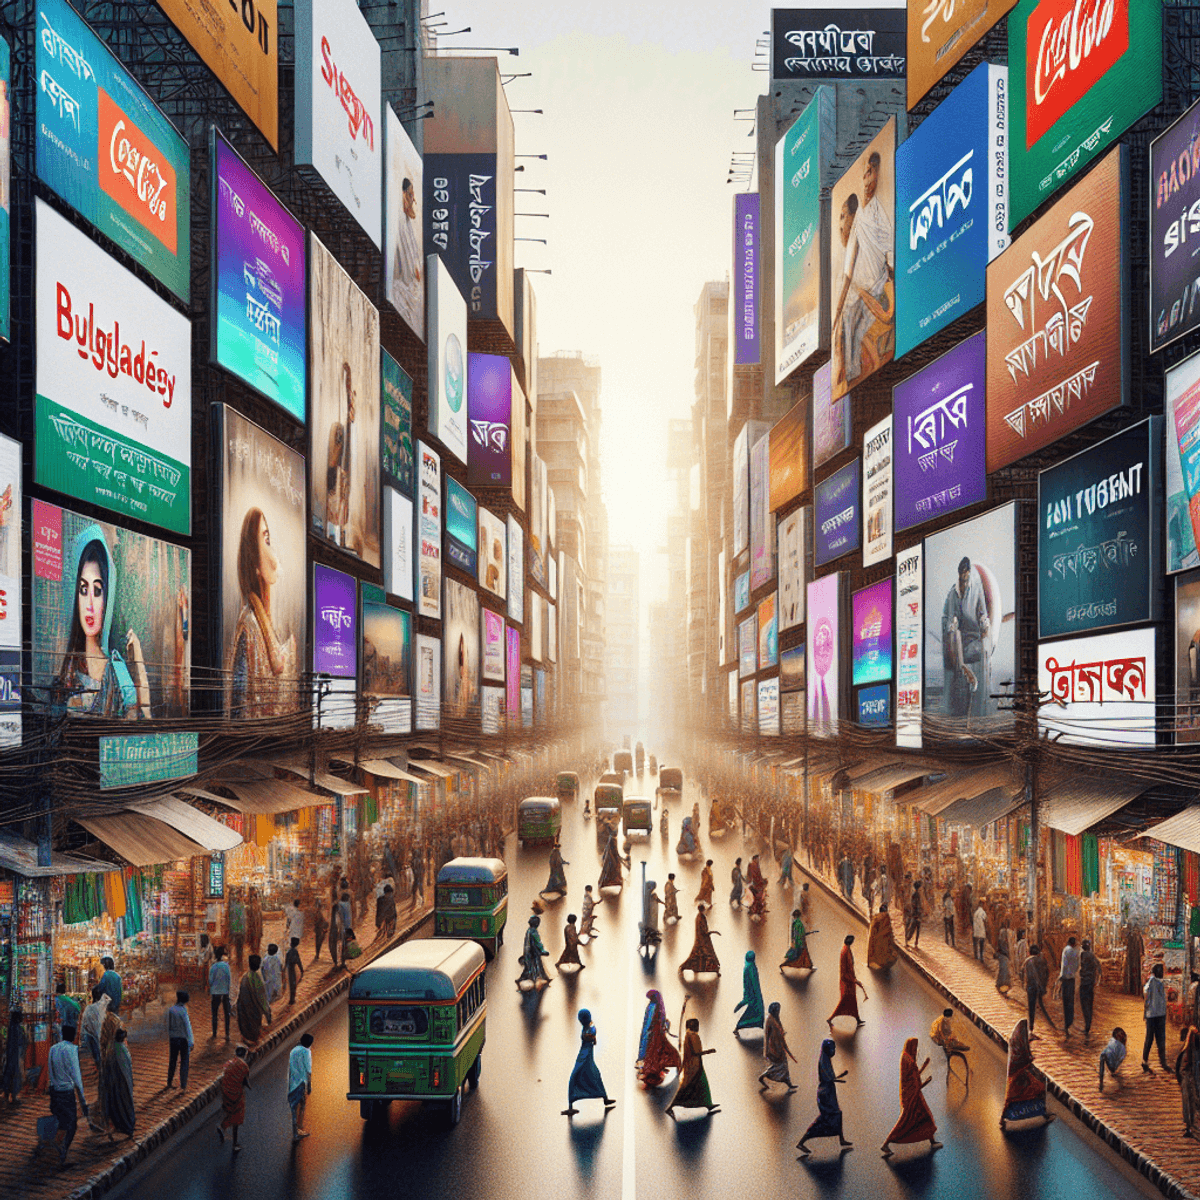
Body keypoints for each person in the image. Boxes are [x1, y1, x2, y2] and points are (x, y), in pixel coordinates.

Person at [55, 530, 154, 719]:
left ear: (107, 600)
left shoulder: (117, 672)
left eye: (97, 591)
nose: (90, 604)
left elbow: (142, 720)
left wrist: (139, 661)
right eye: (83, 590)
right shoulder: (67, 674)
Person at [225, 508, 299, 719]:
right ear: (254, 561)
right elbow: (238, 709)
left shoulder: (264, 623)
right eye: (264, 540)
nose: (272, 553)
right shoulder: (249, 626)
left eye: (269, 539)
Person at [941, 556, 993, 720]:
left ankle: (978, 701)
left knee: (978, 650)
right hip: (958, 636)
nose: (965, 576)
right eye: (963, 573)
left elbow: (982, 613)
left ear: (969, 572)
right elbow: (950, 617)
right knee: (955, 642)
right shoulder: (953, 593)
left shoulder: (976, 589)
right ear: (959, 573)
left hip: (973, 635)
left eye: (967, 572)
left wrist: (985, 625)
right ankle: (961, 704)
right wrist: (952, 627)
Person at [881, 1038, 942, 1156]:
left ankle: (932, 1140)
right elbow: (911, 1079)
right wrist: (922, 1084)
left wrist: (924, 1066)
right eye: (914, 1047)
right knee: (905, 1119)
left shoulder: (907, 1057)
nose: (916, 1049)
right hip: (911, 1095)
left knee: (925, 1116)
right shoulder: (907, 1059)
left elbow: (913, 1075)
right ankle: (886, 1143)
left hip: (914, 1093)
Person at [796, 1039, 852, 1155]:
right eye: (832, 1049)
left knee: (837, 1114)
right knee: (825, 1118)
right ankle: (802, 1142)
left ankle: (841, 1139)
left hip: (829, 1092)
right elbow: (829, 1078)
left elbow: (831, 1077)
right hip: (825, 1094)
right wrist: (841, 1076)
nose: (834, 1051)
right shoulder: (824, 1062)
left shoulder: (826, 1060)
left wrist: (840, 1076)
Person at [46, 1025, 89, 1165]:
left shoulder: (53, 1049)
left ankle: (57, 1149)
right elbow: (76, 1077)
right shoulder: (72, 1050)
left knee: (62, 1121)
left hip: (54, 1090)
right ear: (74, 1036)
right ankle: (61, 1153)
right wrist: (83, 1101)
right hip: (66, 1092)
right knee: (71, 1125)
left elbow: (50, 1070)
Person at [1000, 1018, 1053, 1130]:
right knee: (1038, 1085)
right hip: (1019, 1073)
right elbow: (1023, 1058)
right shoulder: (1017, 1051)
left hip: (1020, 1072)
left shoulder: (1016, 1043)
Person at [562, 1009, 616, 1116]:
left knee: (575, 1077)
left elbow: (589, 1037)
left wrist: (591, 1038)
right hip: (586, 1055)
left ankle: (571, 1104)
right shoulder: (588, 1026)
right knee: (595, 1075)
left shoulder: (590, 1028)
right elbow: (591, 1038)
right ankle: (604, 1097)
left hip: (585, 1056)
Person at [666, 1017, 719, 1117]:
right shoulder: (692, 1036)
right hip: (694, 1066)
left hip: (695, 1064)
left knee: (699, 1085)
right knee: (689, 1086)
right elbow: (695, 1052)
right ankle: (674, 1106)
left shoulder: (688, 1036)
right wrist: (709, 1051)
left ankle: (706, 1104)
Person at [636, 990, 681, 1089]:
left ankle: (651, 1074)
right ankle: (651, 1074)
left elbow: (648, 1024)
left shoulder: (653, 1006)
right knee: (656, 1056)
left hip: (654, 1037)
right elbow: (652, 1023)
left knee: (655, 1055)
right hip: (655, 1036)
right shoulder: (657, 1005)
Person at [828, 935, 867, 1030]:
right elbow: (844, 971)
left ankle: (857, 1019)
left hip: (849, 981)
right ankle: (830, 1019)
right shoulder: (845, 952)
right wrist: (854, 980)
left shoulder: (846, 949)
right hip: (847, 982)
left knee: (853, 1001)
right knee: (844, 1001)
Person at [102, 1028, 135, 1138]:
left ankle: (120, 1126)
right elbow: (127, 1069)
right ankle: (128, 1127)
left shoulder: (112, 1049)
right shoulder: (122, 1049)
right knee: (125, 1105)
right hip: (122, 1082)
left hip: (113, 1084)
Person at [218, 1045, 251, 1151]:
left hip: (226, 1093)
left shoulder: (229, 1063)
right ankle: (235, 1144)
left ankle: (223, 1127)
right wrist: (250, 1087)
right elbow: (245, 1081)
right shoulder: (244, 1066)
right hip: (237, 1094)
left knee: (230, 1113)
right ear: (245, 1054)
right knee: (237, 1118)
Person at [759, 1002, 798, 1092]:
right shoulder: (770, 1021)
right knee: (778, 1066)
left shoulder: (775, 1019)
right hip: (774, 1049)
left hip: (779, 1047)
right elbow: (767, 1036)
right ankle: (764, 1075)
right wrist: (767, 1050)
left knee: (784, 1067)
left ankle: (789, 1083)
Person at [236, 954, 272, 1043]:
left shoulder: (245, 977)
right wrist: (268, 1014)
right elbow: (262, 999)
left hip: (243, 1013)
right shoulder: (257, 979)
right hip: (253, 1015)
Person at [679, 903, 721, 976]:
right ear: (702, 909)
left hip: (700, 940)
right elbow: (704, 931)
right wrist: (713, 932)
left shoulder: (699, 916)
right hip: (702, 941)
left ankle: (688, 967)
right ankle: (713, 968)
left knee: (697, 955)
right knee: (707, 954)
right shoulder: (701, 918)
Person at [1023, 944, 1056, 1034]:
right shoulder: (1042, 960)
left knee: (1032, 1008)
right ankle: (1051, 1025)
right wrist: (1043, 985)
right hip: (1040, 987)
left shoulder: (1028, 962)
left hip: (1031, 987)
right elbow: (1047, 973)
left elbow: (1027, 975)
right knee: (1041, 1005)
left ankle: (1031, 1028)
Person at [930, 1008, 970, 1082]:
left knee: (953, 1041)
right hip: (936, 1037)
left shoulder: (944, 1020)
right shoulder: (942, 1020)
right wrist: (946, 1041)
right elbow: (940, 1031)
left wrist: (950, 1037)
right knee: (950, 1044)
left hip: (939, 1037)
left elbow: (947, 1031)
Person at [288, 1033, 314, 1142]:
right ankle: (298, 1130)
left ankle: (297, 1129)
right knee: (302, 1105)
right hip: (301, 1083)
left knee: (294, 1107)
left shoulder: (293, 1051)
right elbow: (308, 1070)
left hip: (292, 1083)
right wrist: (309, 1085)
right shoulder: (306, 1052)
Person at [1143, 962, 1169, 1072]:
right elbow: (1146, 995)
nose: (1163, 973)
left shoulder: (1156, 982)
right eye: (1161, 971)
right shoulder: (1153, 982)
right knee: (1153, 1038)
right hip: (1154, 1015)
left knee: (1156, 1038)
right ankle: (1146, 1061)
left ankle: (1161, 1061)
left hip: (1156, 1014)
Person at [167, 989, 194, 1089]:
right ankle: (183, 1084)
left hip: (173, 1038)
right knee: (184, 1061)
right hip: (183, 1039)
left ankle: (169, 1081)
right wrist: (191, 1041)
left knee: (172, 1061)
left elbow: (169, 1026)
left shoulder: (171, 1010)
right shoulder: (183, 1011)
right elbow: (187, 1026)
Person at [734, 950, 765, 1035]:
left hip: (751, 993)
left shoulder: (747, 967)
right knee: (754, 1010)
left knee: (752, 1011)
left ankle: (740, 1026)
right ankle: (740, 1026)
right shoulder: (751, 968)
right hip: (754, 994)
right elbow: (754, 982)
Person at [516, 915, 550, 990]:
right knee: (537, 966)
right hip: (534, 953)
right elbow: (538, 943)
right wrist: (543, 951)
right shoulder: (534, 932)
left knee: (528, 967)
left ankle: (522, 978)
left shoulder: (529, 930)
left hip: (527, 952)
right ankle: (539, 979)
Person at [80, 988, 108, 1072]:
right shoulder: (104, 1006)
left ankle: (100, 1071)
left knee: (98, 1057)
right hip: (103, 1036)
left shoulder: (89, 1008)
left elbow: (84, 1025)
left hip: (93, 1037)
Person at [1059, 935, 1080, 1040]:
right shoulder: (1075, 952)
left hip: (1065, 979)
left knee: (1065, 1001)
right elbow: (1077, 965)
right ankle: (1069, 1023)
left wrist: (1061, 976)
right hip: (1071, 979)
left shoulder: (1066, 950)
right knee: (1071, 1001)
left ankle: (1066, 1025)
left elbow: (1064, 965)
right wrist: (1073, 972)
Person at [2, 1009, 25, 1103]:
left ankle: (7, 1095)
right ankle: (14, 1097)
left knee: (9, 1074)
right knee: (15, 1075)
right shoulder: (17, 1028)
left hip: (10, 1055)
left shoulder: (11, 1027)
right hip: (15, 1055)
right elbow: (20, 1042)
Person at [1079, 938, 1100, 1040]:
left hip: (1084, 982)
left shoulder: (1082, 955)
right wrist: (1096, 980)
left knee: (1084, 1004)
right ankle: (1088, 1025)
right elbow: (1098, 968)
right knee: (1089, 1004)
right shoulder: (1092, 956)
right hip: (1090, 983)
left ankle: (1087, 1025)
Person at [209, 946, 232, 1039]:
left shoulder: (213, 967)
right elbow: (229, 979)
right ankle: (227, 1033)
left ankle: (214, 1033)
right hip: (225, 993)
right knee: (227, 1014)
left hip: (215, 993)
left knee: (214, 1013)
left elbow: (210, 981)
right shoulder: (226, 966)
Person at [867, 902, 898, 970]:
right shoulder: (886, 918)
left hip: (878, 944)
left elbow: (872, 934)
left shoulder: (876, 918)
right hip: (884, 945)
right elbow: (889, 932)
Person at [1098, 1026, 1128, 1092]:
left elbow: (1120, 1059)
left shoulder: (1120, 1046)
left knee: (1103, 1056)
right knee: (1103, 1056)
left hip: (1111, 1062)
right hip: (1110, 1060)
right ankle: (1101, 1082)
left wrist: (1114, 1068)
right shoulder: (1118, 1044)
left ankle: (1101, 1082)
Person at [747, 854, 768, 921]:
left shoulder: (754, 864)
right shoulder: (753, 865)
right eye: (757, 859)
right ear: (755, 859)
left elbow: (758, 875)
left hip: (756, 883)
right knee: (758, 897)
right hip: (756, 884)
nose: (758, 860)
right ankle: (756, 910)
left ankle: (756, 909)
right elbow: (754, 876)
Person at [229, 891, 247, 970]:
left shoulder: (232, 906)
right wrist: (244, 930)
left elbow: (231, 918)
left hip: (234, 930)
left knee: (237, 947)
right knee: (240, 948)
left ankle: (238, 962)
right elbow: (242, 919)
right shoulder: (240, 906)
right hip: (240, 930)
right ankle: (240, 964)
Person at [285, 937, 305, 1005]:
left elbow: (286, 961)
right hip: (292, 969)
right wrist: (301, 970)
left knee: (291, 984)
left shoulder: (288, 951)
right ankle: (292, 999)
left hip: (289, 969)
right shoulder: (295, 951)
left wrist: (284, 969)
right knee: (293, 984)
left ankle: (292, 999)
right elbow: (298, 961)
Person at [905, 880, 923, 948]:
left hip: (916, 912)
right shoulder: (916, 894)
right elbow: (915, 904)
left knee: (916, 927)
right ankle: (910, 940)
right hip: (916, 913)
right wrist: (919, 912)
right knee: (915, 927)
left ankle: (915, 941)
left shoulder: (915, 894)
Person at [313, 898, 329, 963]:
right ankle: (317, 955)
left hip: (320, 930)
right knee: (318, 943)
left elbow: (320, 921)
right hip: (320, 930)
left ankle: (317, 955)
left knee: (318, 943)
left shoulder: (319, 913)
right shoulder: (319, 913)